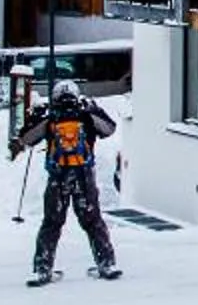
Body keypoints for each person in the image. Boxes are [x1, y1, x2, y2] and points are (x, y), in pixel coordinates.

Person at [9, 78, 118, 285]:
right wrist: (93, 109)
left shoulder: (52, 117)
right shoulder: (85, 115)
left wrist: (37, 117)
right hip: (83, 176)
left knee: (51, 223)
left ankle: (42, 269)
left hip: (58, 178)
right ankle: (107, 263)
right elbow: (109, 129)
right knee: (93, 221)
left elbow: (26, 139)